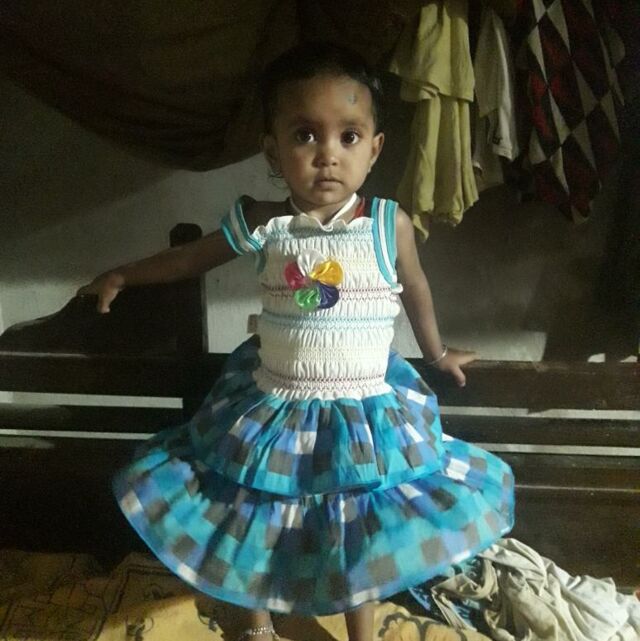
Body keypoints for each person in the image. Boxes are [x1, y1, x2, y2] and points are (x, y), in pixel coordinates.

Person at [78, 42, 514, 641]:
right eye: (306, 135)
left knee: (356, 523)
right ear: (273, 151)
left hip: (362, 410)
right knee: (255, 510)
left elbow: (415, 289)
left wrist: (437, 355)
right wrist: (125, 274)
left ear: (374, 148)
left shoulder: (388, 224)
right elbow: (190, 259)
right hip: (275, 403)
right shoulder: (264, 222)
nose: (327, 155)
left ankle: (360, 632)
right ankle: (257, 623)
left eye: (349, 136)